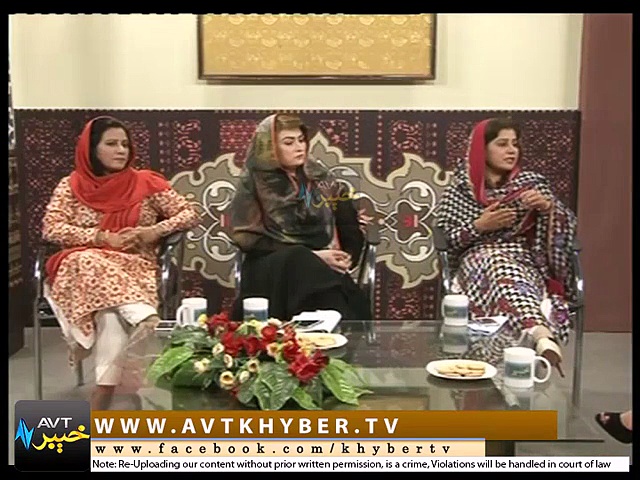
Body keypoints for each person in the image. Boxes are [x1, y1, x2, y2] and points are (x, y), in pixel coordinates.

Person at [42, 116, 200, 409]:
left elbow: (189, 213)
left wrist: (154, 231)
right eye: (111, 144)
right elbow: (51, 228)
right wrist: (102, 237)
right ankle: (140, 313)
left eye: (125, 144)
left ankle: (102, 392)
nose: (121, 151)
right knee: (86, 258)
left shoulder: (146, 182)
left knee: (111, 316)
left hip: (133, 268)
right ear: (91, 149)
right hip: (82, 274)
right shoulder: (71, 186)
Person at [435, 117, 577, 374]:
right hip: (476, 264)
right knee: (494, 262)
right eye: (502, 144)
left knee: (506, 275)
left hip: (524, 263)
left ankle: (533, 337)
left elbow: (566, 232)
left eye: (515, 144)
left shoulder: (532, 184)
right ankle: (539, 335)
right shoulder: (459, 190)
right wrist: (479, 226)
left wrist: (548, 209)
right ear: (482, 149)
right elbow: (446, 242)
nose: (512, 151)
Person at [229, 113, 372, 323]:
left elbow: (347, 224)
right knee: (299, 258)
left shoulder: (317, 178)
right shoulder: (253, 183)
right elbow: (249, 241)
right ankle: (331, 327)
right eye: (289, 142)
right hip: (269, 267)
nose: (299, 147)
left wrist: (345, 256)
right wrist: (313, 256)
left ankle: (332, 331)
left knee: (312, 270)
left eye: (301, 140)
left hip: (320, 268)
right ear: (270, 147)